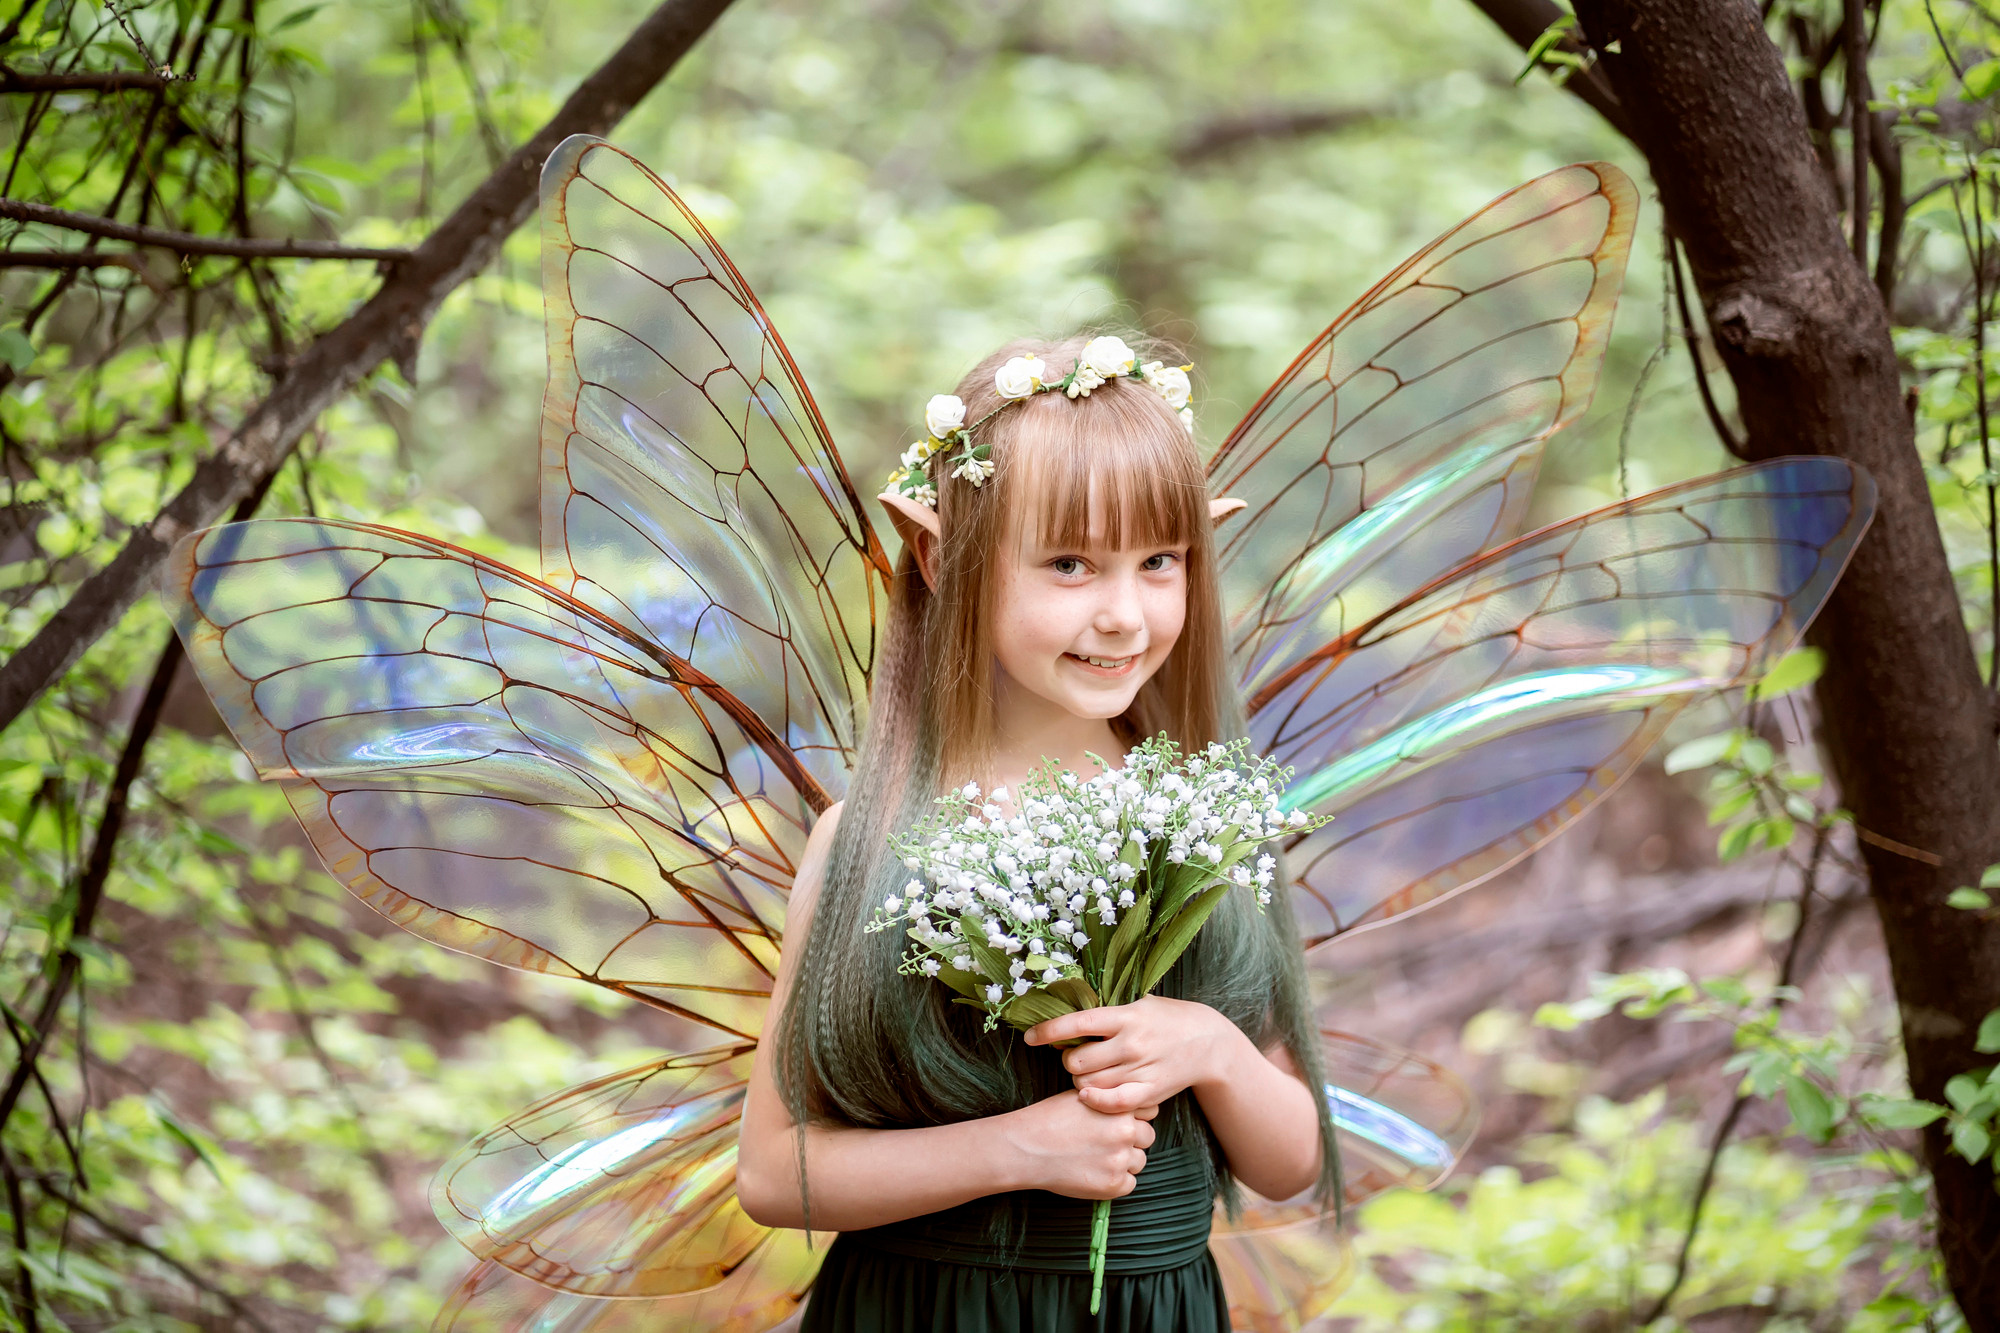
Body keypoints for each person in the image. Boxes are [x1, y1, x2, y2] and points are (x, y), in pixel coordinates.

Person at [736, 331, 1339, 1332]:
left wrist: (1213, 1048)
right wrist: (1022, 1149)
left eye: (1159, 561)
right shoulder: (872, 841)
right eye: (1068, 563)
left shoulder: (1205, 824)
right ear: (938, 555)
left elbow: (1288, 1163)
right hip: (922, 1311)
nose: (1122, 614)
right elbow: (773, 1170)